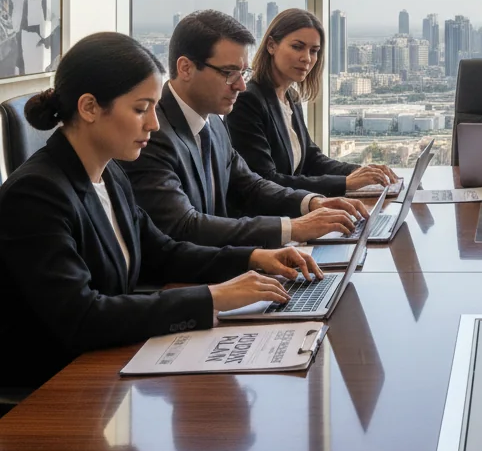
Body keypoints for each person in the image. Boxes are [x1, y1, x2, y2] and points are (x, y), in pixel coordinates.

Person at [0, 32, 323, 391]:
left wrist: (254, 258)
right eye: (141, 109)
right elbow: (82, 316)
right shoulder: (36, 194)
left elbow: (163, 252)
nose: (154, 124)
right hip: (55, 387)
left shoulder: (110, 173)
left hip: (107, 365)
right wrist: (212, 297)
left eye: (155, 107)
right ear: (89, 107)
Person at [125, 10, 367, 248]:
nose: (241, 85)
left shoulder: (214, 123)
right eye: (229, 73)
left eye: (242, 73)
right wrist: (291, 228)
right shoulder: (151, 135)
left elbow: (250, 185)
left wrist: (312, 203)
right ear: (186, 68)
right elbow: (184, 226)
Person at [225, 8, 396, 195]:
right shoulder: (248, 101)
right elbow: (265, 180)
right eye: (297, 47)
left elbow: (312, 160)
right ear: (271, 45)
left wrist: (361, 172)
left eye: (314, 51)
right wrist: (345, 183)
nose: (306, 58)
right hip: (267, 211)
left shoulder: (291, 97)